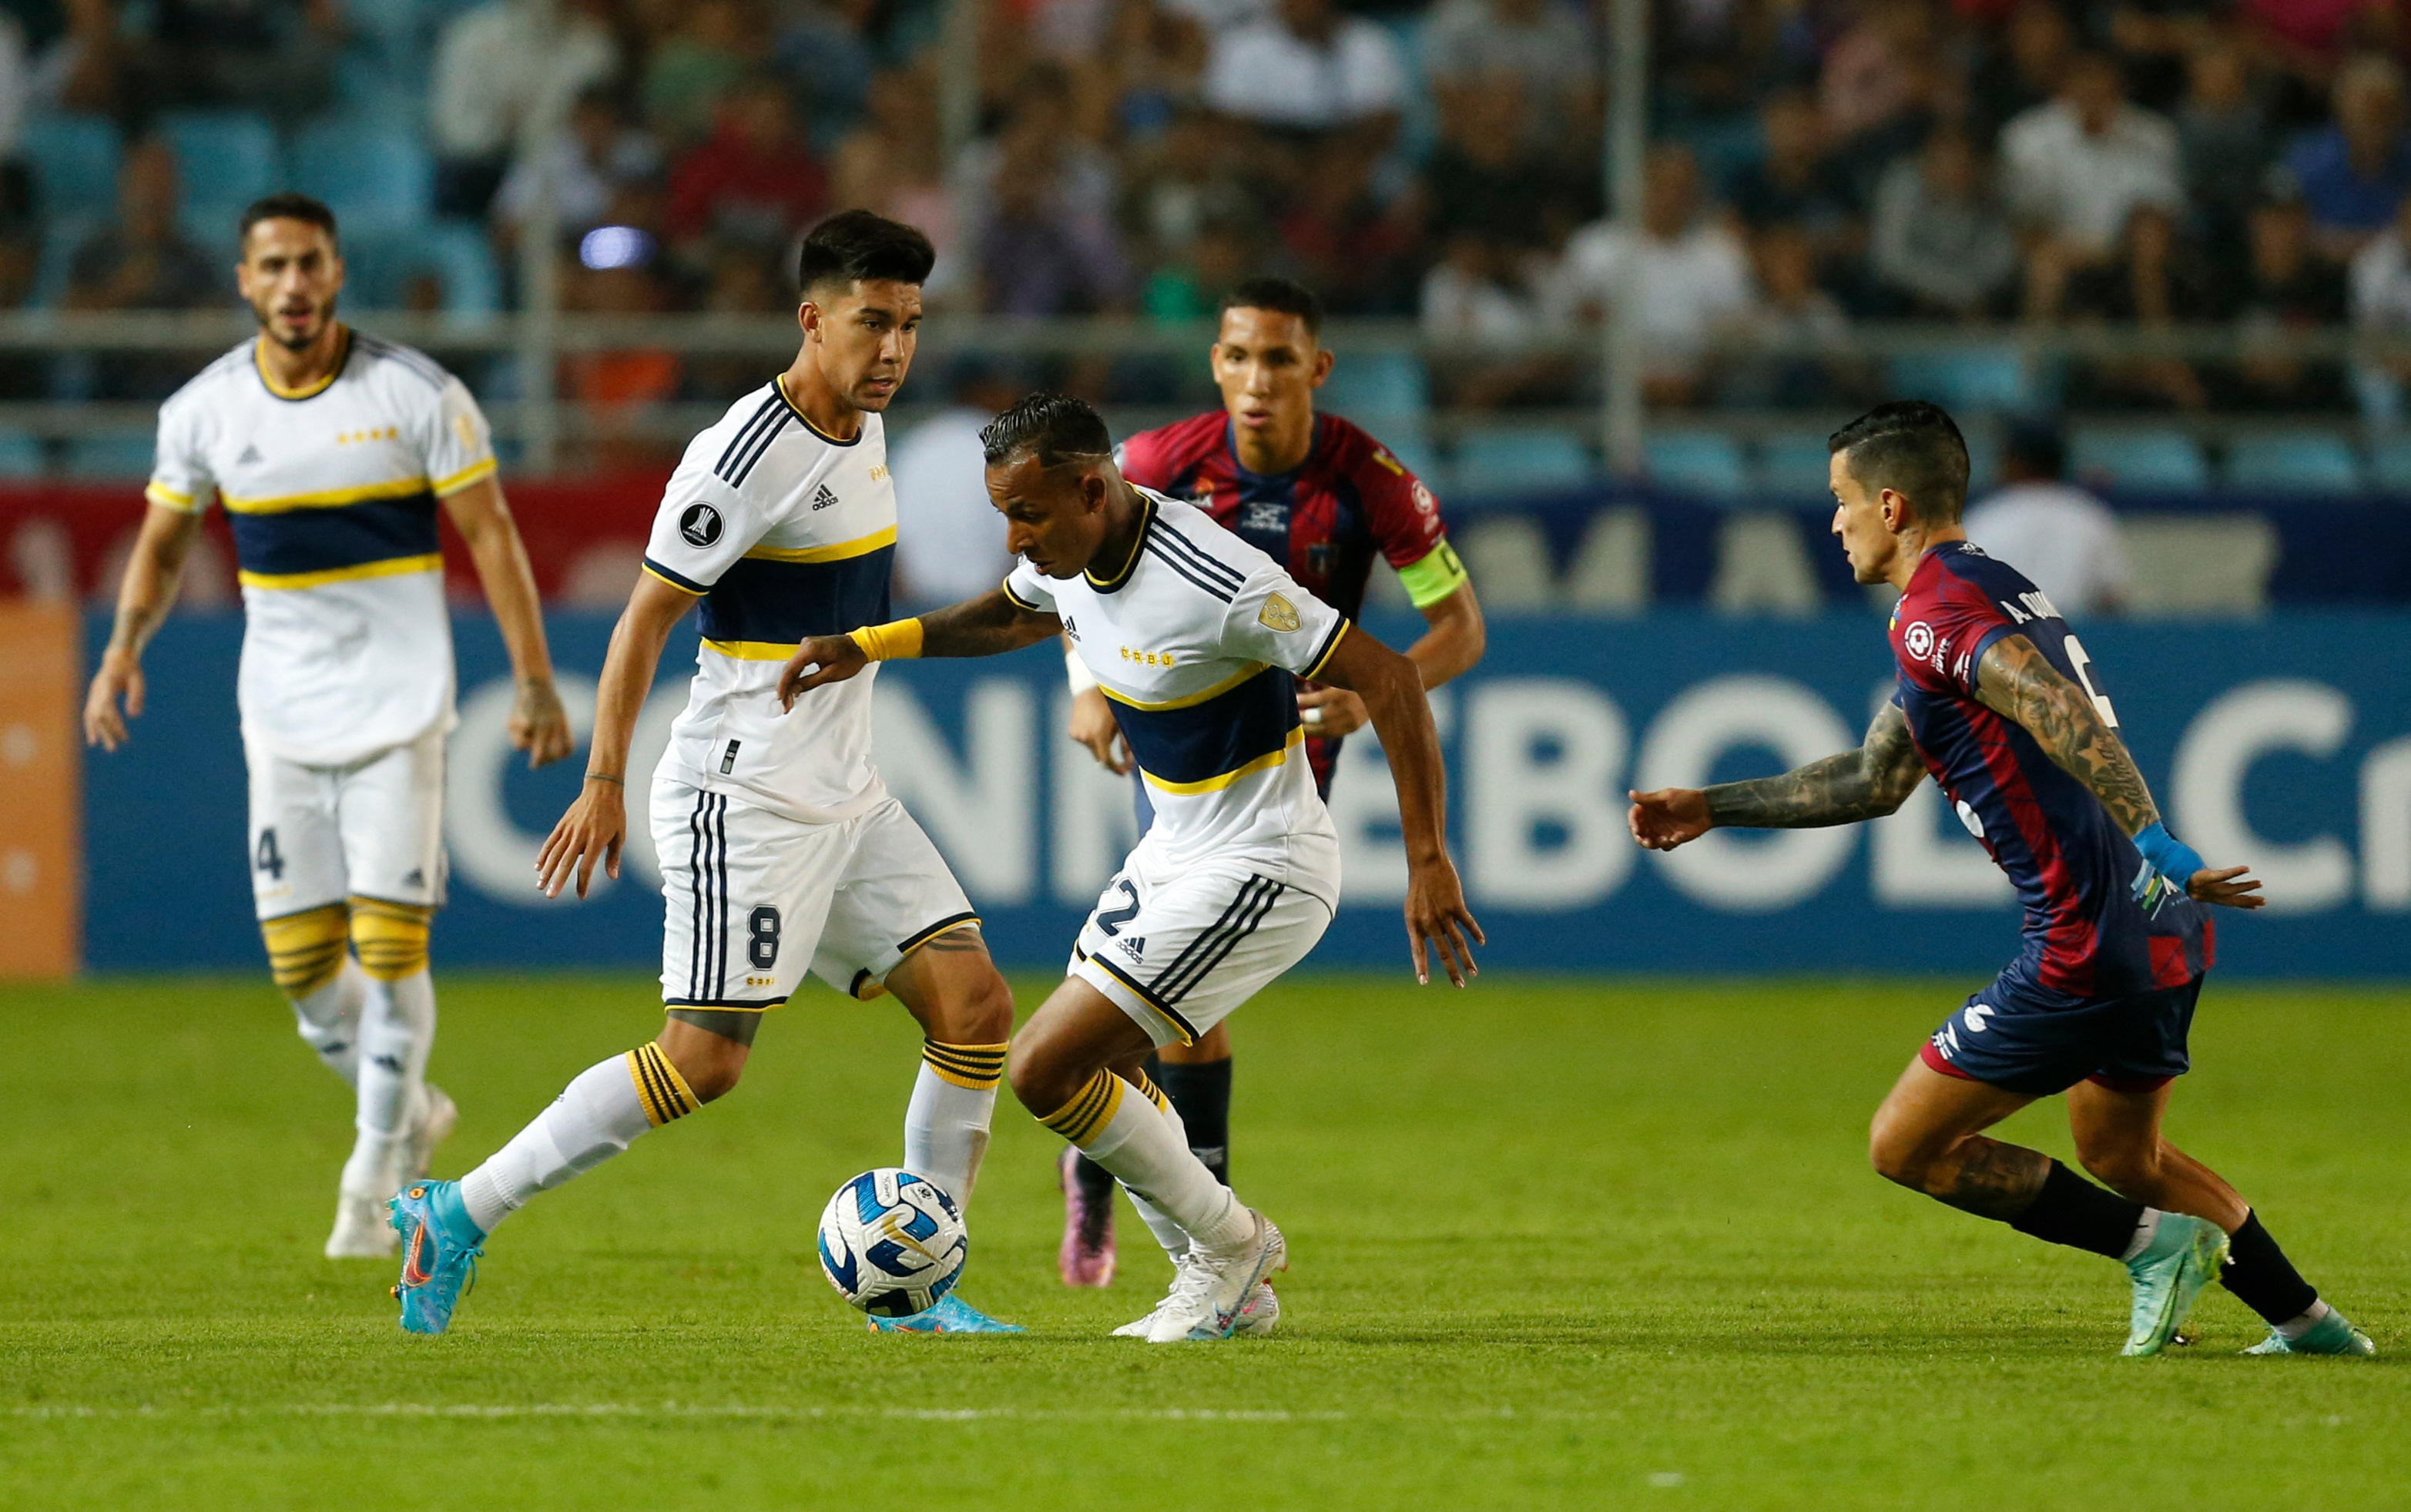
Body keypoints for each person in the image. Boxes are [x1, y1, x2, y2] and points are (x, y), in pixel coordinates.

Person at [386, 211, 1023, 1338]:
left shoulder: (863, 424)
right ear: (811, 319)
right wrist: (601, 780)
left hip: (847, 784)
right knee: (705, 1060)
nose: (892, 350)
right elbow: (642, 619)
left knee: (974, 1007)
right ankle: (458, 1209)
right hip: (746, 790)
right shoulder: (744, 455)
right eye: (871, 323)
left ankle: (917, 1287)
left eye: (910, 326)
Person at [1629, 401, 2373, 1360]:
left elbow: (2050, 704)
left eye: (1840, 501)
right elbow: (1874, 777)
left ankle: (2151, 1251)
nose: (1833, 523)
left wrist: (2159, 839)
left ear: (1890, 505)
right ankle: (2305, 1319)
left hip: (2086, 942)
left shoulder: (1938, 617)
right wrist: (1712, 804)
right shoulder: (1987, 587)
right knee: (2119, 1154)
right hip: (2160, 933)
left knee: (1905, 1146)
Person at [780, 393, 1482, 1342]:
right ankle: (1228, 1280)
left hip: (1261, 864)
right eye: (1003, 515)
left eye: (1027, 514)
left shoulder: (1216, 576)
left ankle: (1232, 1248)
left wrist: (1427, 860)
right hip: (1171, 853)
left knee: (1041, 1067)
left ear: (1093, 487)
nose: (1015, 537)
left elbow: (1390, 677)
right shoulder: (1067, 558)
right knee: (1103, 1060)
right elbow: (1009, 615)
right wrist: (866, 645)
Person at [82, 193, 572, 1259]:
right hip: (282, 715)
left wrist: (533, 678)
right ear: (245, 281)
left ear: (337, 271)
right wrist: (122, 647)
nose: (294, 284)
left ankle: (368, 1180)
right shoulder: (205, 410)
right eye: (273, 266)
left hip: (401, 709)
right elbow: (164, 545)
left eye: (310, 263)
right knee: (309, 983)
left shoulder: (415, 394)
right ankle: (411, 1109)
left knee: (392, 952)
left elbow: (490, 537)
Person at [1057, 277, 1485, 1292]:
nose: (1257, 380)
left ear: (1315, 369)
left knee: (1177, 1002)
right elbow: (1067, 560)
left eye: (1279, 359)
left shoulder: (1371, 481)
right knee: (1176, 1004)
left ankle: (1125, 1176)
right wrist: (1086, 685)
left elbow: (1458, 625)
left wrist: (1376, 692)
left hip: (1292, 760)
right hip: (1180, 748)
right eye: (1239, 356)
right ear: (1215, 363)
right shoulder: (1159, 460)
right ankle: (1169, 1212)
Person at [1961, 419, 2130, 619]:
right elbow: (2111, 600)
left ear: (2012, 462)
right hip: (2074, 641)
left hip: (1999, 640)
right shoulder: (2089, 516)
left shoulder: (1985, 518)